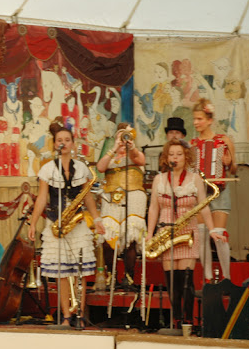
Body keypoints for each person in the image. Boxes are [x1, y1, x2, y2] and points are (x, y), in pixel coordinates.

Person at [27, 123, 105, 326]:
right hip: (57, 224)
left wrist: (97, 219)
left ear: (72, 143)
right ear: (55, 144)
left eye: (67, 140)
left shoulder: (81, 168)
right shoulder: (48, 169)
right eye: (59, 140)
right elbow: (42, 198)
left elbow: (87, 197)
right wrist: (33, 223)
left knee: (80, 272)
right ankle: (66, 316)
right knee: (61, 273)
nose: (63, 143)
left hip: (77, 224)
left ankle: (80, 314)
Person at [146, 139, 223, 328]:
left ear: (186, 157)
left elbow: (204, 207)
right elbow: (153, 208)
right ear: (166, 158)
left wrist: (212, 229)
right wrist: (149, 234)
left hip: (188, 231)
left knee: (187, 279)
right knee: (172, 281)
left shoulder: (195, 179)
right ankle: (176, 319)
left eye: (179, 154)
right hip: (166, 230)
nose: (175, 158)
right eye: (171, 154)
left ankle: (188, 320)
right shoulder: (159, 179)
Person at [191, 98, 237, 282]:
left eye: (199, 119)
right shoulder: (192, 144)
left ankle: (227, 278)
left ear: (209, 120)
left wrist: (229, 162)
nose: (196, 122)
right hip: (200, 193)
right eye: (194, 119)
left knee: (219, 234)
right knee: (202, 234)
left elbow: (234, 169)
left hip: (220, 191)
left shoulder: (224, 140)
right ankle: (208, 278)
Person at [96, 123, 147, 290]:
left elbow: (140, 160)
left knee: (130, 236)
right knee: (108, 237)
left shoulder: (135, 154)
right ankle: (112, 276)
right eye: (122, 135)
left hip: (134, 196)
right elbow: (100, 167)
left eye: (128, 135)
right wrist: (115, 147)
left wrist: (130, 147)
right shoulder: (111, 156)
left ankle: (129, 277)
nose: (124, 139)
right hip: (112, 198)